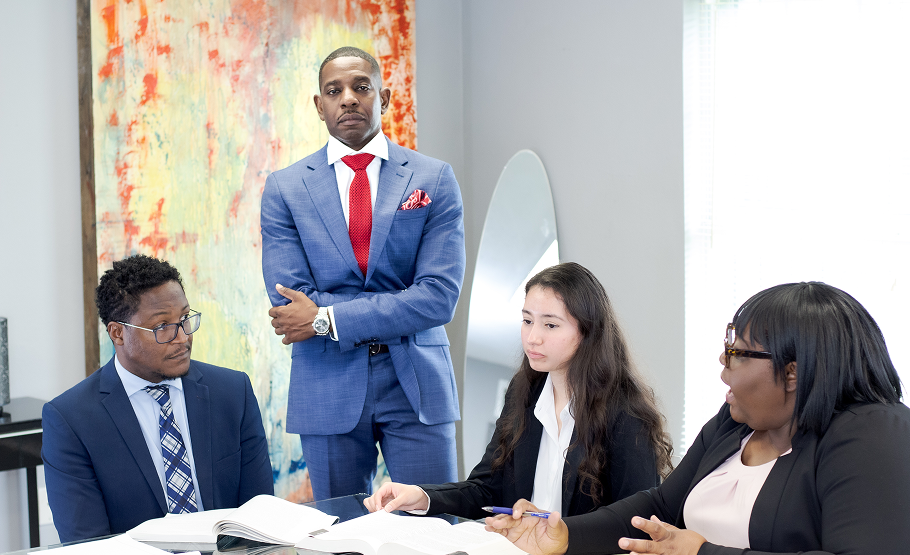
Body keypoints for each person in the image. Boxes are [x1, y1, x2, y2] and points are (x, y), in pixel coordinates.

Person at [486, 281, 910, 555]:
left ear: (793, 371)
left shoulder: (873, 435)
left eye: (738, 354)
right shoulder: (736, 422)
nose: (724, 368)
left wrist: (700, 552)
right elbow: (661, 506)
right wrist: (567, 536)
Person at [260, 46, 465, 500]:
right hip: (327, 385)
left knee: (433, 532)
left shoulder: (433, 179)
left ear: (384, 98)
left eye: (361, 87)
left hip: (417, 383)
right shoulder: (285, 189)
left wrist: (325, 318)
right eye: (334, 91)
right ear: (320, 105)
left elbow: (437, 297)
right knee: (336, 534)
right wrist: (392, 303)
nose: (348, 99)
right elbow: (290, 302)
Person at [364, 263, 673, 520]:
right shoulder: (524, 392)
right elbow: (486, 488)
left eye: (550, 326)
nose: (532, 338)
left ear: (588, 332)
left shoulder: (626, 412)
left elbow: (634, 523)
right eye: (527, 321)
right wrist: (422, 497)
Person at [42, 255, 273, 542]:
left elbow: (262, 519)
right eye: (162, 325)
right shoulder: (70, 420)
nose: (183, 337)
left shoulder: (233, 392)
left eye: (185, 319)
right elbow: (87, 543)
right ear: (118, 333)